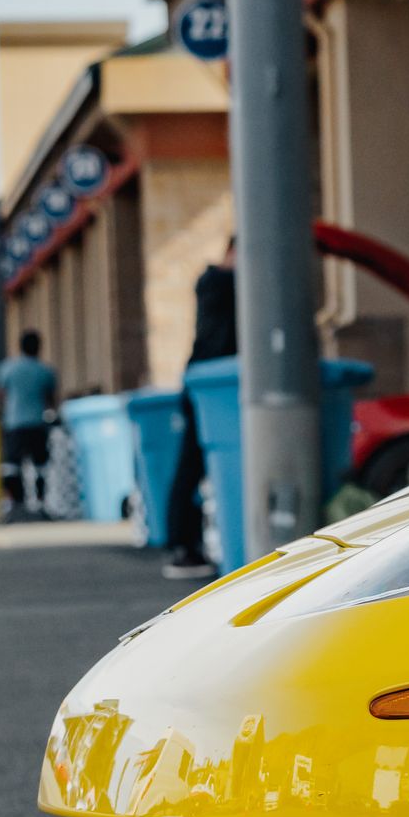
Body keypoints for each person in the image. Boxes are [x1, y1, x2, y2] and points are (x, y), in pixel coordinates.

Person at [163, 239, 237, 577]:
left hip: (207, 385)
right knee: (191, 465)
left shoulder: (213, 282)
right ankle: (183, 546)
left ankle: (185, 544)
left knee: (192, 466)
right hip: (210, 388)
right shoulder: (218, 282)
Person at [0, 328, 59, 518]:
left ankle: (15, 503)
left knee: (12, 465)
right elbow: (50, 398)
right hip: (37, 423)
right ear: (39, 347)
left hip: (14, 423)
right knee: (40, 464)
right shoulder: (45, 371)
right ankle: (41, 502)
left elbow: (1, 394)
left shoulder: (7, 369)